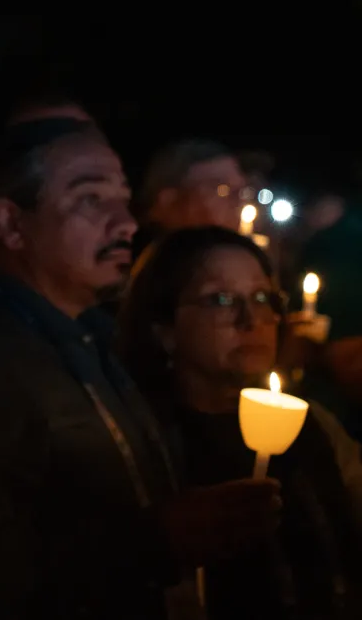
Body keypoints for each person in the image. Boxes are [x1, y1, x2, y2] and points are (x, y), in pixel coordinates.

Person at [0, 118, 282, 620]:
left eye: (122, 198)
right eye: (90, 200)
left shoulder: (91, 335)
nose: (126, 223)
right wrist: (155, 542)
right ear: (10, 224)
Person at [119, 226, 362, 620]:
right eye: (220, 299)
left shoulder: (311, 422)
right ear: (164, 330)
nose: (252, 320)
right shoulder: (141, 441)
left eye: (263, 298)